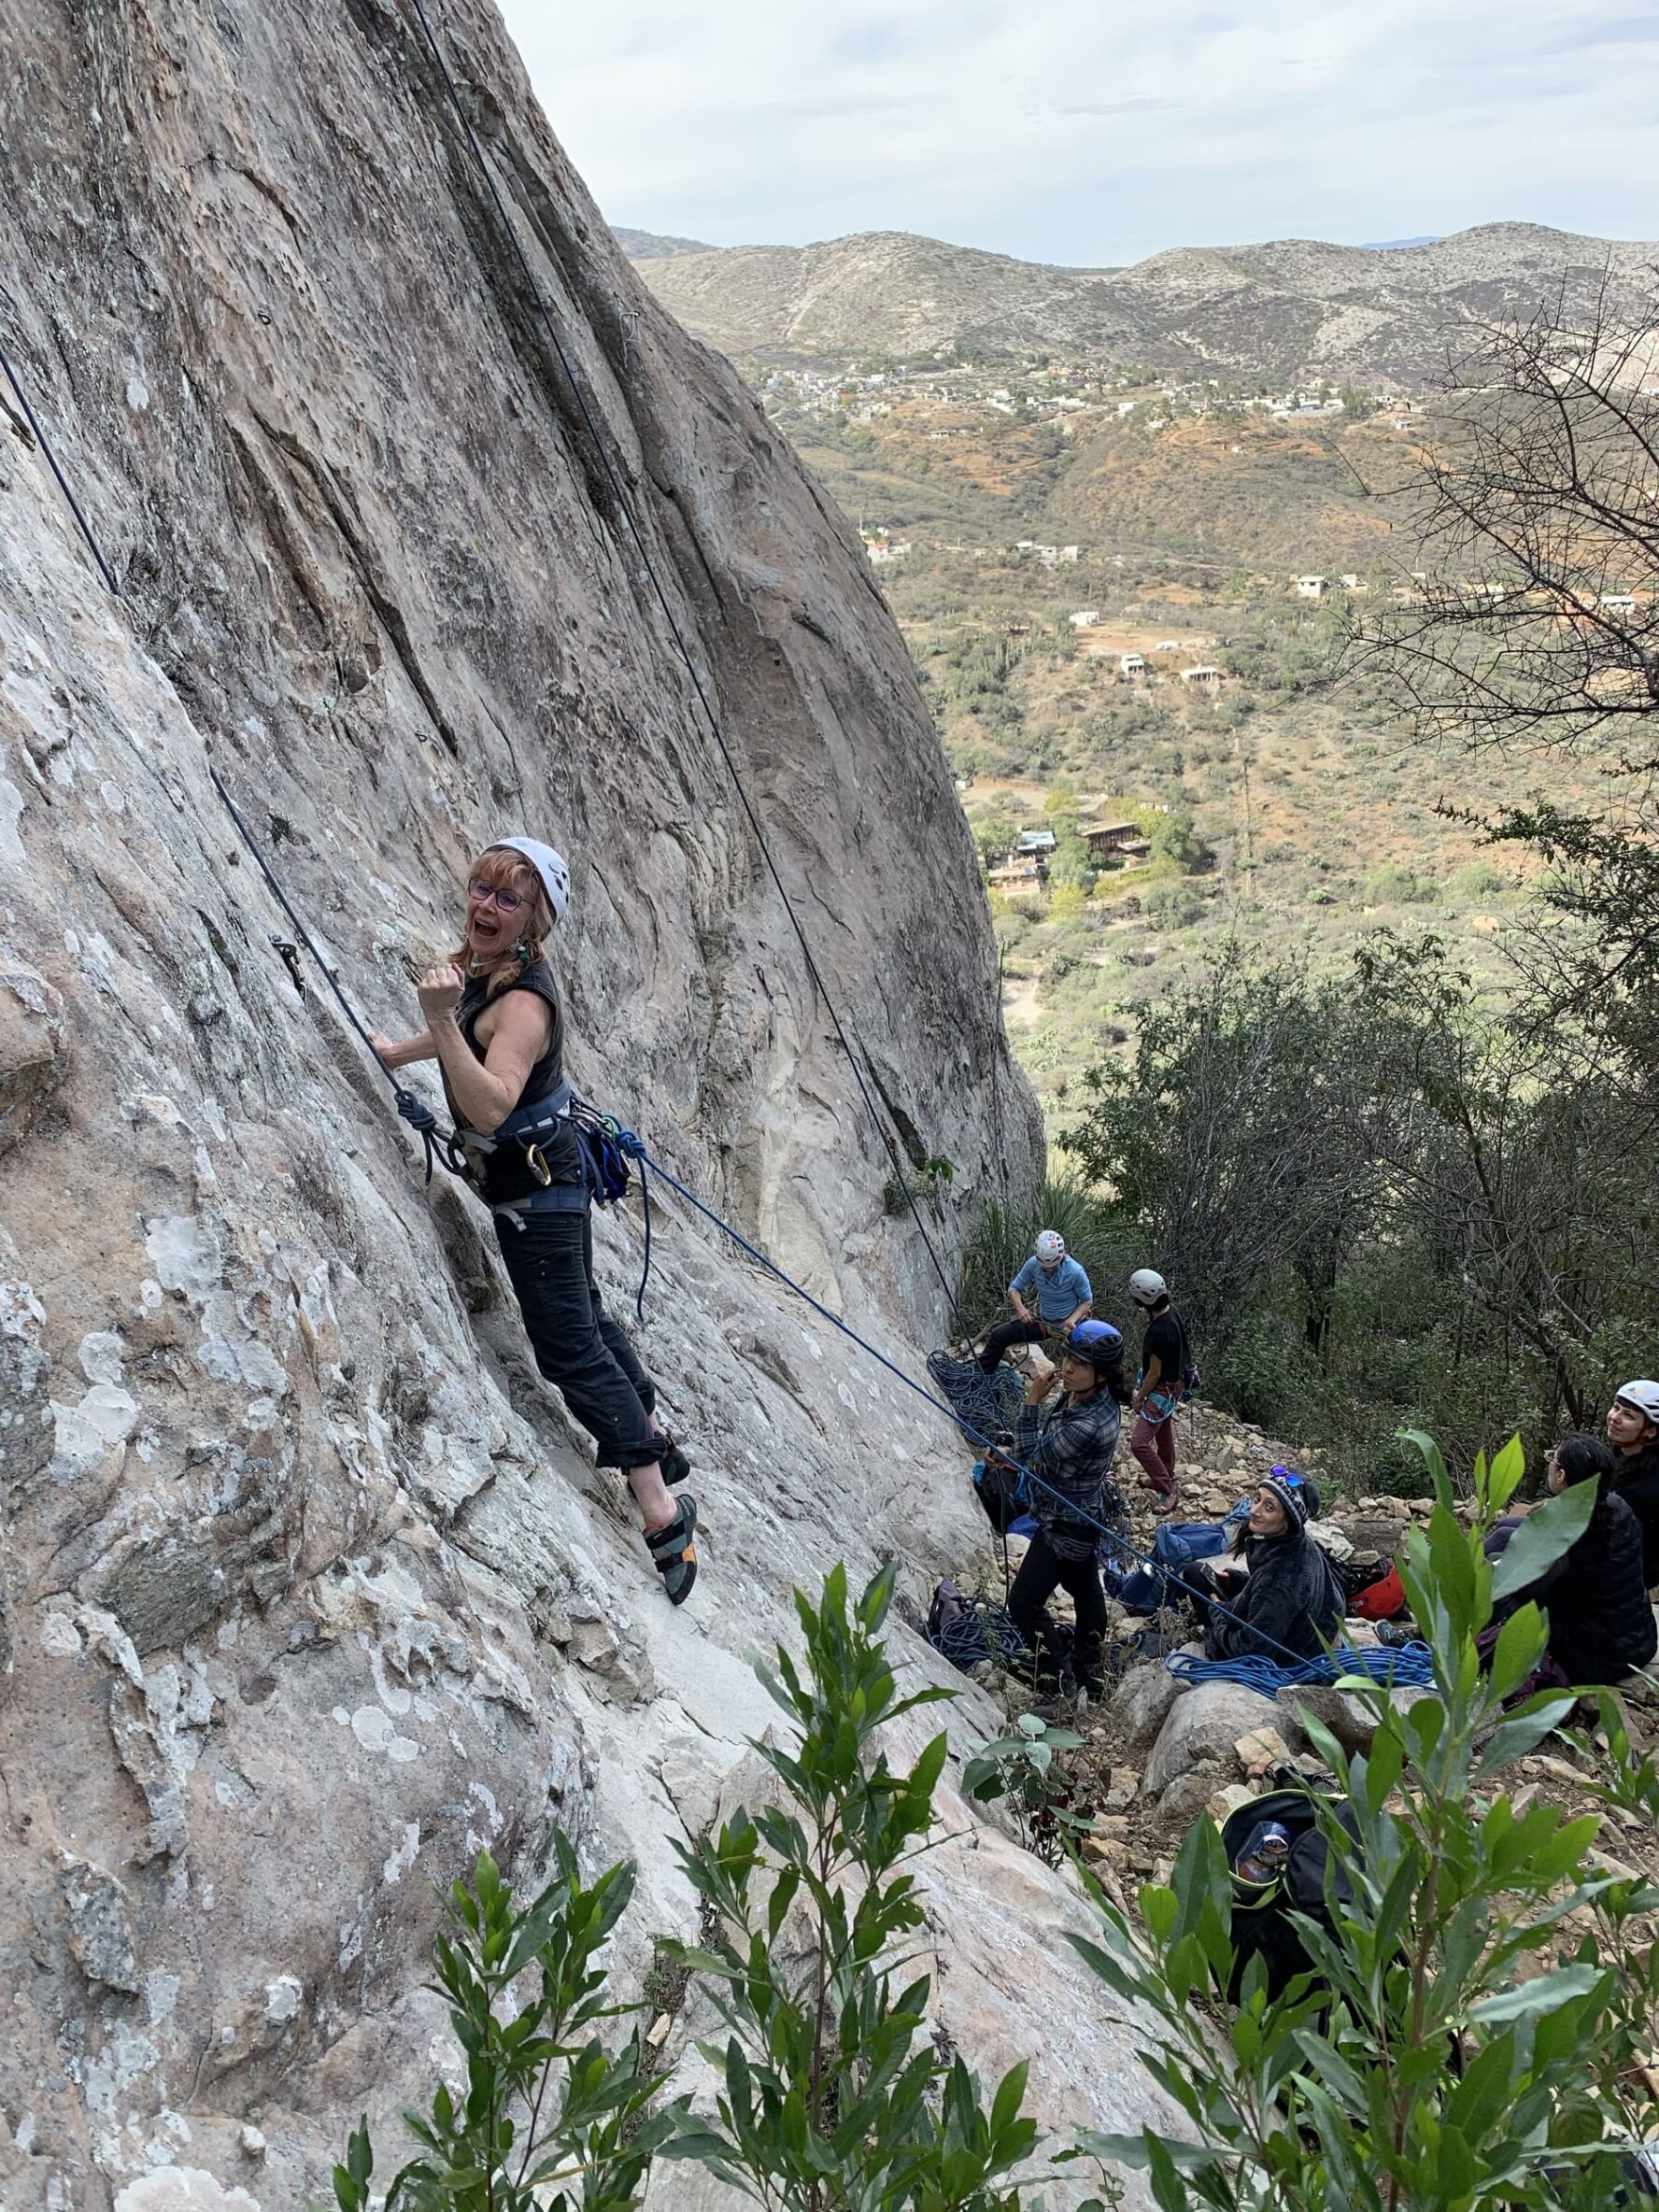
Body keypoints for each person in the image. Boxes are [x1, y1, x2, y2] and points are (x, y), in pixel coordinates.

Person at [370, 839, 699, 1603]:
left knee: (567, 1350)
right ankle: (651, 1432)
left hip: (538, 1190)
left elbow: (489, 1098)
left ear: (535, 920)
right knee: (584, 1313)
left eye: (506, 899)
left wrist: (434, 1024)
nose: (485, 906)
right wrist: (405, 1051)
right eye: (481, 888)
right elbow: (467, 1033)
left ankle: (660, 1508)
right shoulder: (495, 977)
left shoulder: (524, 1000)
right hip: (542, 1175)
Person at [1000, 1319, 1129, 1699]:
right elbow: (1037, 1449)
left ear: (1102, 1374)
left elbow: (1033, 1460)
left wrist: (1031, 1401)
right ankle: (1089, 1668)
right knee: (1083, 1587)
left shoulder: (1090, 1423)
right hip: (1074, 1513)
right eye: (1068, 1357)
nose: (1069, 1368)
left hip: (1066, 1524)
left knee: (1023, 1603)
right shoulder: (1082, 1396)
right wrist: (1005, 1452)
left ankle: (1060, 1684)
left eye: (1081, 1364)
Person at [1494, 1434, 1657, 1688]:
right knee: (1506, 1530)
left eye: (1553, 1459)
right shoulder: (1615, 1504)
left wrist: (1493, 1568)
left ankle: (1447, 1620)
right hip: (1638, 1639)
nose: (1549, 1462)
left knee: (1498, 1596)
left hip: (1595, 1656)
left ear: (1561, 1476)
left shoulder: (1562, 1539)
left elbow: (1520, 1587)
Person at [1191, 1468, 1345, 1665]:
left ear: (1288, 1521)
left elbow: (1250, 1650)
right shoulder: (1300, 1545)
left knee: (1194, 1576)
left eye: (1269, 1508)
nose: (1254, 1511)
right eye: (1257, 1500)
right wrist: (1239, 1580)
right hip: (1294, 1630)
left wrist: (1217, 1613)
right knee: (1198, 1572)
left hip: (1287, 1656)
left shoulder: (1283, 1579)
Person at [975, 1230, 1093, 1373]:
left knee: (1083, 1363)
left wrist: (1072, 1320)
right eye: (1045, 1267)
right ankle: (982, 1376)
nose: (1049, 1270)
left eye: (1053, 1267)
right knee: (999, 1335)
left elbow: (1087, 1301)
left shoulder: (1075, 1272)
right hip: (1044, 1323)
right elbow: (1014, 1288)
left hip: (1070, 1326)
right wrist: (1021, 1309)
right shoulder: (1033, 1264)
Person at [1127, 1267, 1192, 1513]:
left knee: (1139, 1443)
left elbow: (1154, 1372)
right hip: (1173, 1385)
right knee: (1163, 1433)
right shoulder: (1172, 1315)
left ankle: (1167, 1489)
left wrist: (1139, 1398)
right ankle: (1165, 1474)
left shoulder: (1158, 1331)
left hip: (1160, 1389)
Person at [1606, 1379, 1659, 1589]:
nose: (1615, 1418)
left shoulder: (1646, 1487)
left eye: (1628, 1416)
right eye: (1616, 1408)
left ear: (1650, 1431)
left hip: (1628, 1572)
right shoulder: (1618, 1456)